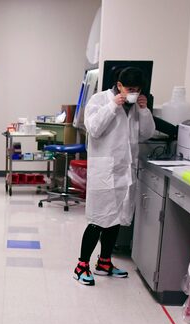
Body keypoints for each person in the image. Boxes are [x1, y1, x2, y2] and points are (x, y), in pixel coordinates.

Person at [73, 66, 155, 286]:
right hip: (105, 172)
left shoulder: (137, 107)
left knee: (116, 218)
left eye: (137, 89)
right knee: (98, 219)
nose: (133, 93)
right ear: (119, 85)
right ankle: (81, 265)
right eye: (130, 89)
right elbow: (93, 128)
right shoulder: (100, 100)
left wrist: (145, 110)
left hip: (125, 172)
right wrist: (112, 106)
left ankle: (104, 262)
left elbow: (146, 133)